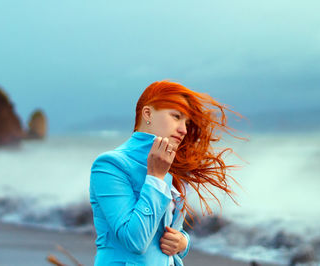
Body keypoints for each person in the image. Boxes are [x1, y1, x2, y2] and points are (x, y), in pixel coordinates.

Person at [89, 80, 245, 265]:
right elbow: (134, 241)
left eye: (186, 122)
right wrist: (155, 177)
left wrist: (183, 242)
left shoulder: (171, 165)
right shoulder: (110, 165)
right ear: (147, 113)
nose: (184, 129)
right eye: (176, 116)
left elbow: (167, 231)